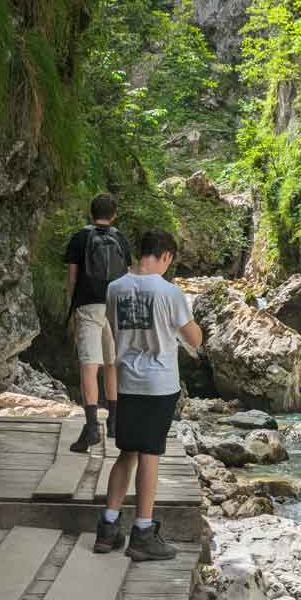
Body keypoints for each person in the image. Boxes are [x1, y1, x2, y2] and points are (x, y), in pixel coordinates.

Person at [94, 230, 203, 561]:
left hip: (127, 381)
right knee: (150, 455)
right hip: (158, 384)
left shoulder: (115, 289)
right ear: (166, 256)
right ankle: (142, 532)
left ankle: (108, 528)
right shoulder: (170, 292)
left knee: (127, 453)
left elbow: (116, 330)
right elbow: (194, 339)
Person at [64, 193, 133, 452]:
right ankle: (114, 423)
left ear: (90, 212)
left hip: (88, 305)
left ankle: (92, 426)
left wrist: (72, 308)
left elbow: (72, 278)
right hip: (116, 306)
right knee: (112, 362)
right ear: (114, 214)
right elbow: (127, 275)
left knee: (89, 365)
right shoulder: (120, 238)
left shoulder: (80, 238)